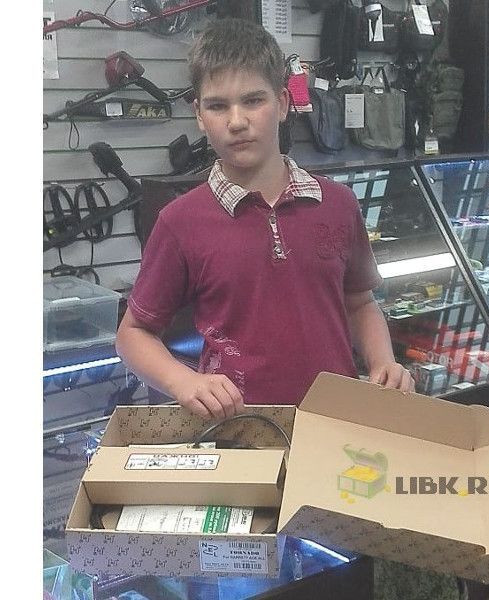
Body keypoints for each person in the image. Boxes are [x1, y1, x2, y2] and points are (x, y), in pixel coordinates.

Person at [115, 17, 414, 420]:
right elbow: (133, 334)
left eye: (253, 101)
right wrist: (183, 381)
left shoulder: (338, 204)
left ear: (284, 103)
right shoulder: (180, 222)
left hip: (336, 423)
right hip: (236, 430)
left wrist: (383, 362)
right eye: (217, 106)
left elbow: (360, 302)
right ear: (199, 115)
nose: (237, 121)